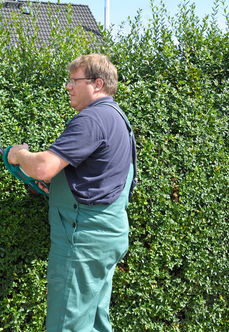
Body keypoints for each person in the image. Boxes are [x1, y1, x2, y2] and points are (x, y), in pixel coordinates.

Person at [7, 53, 137, 331]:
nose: (68, 86)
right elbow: (100, 178)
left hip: (83, 243)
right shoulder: (118, 119)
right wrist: (60, 187)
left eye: (74, 80)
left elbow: (43, 167)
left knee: (67, 324)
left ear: (97, 84)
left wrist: (18, 154)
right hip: (108, 239)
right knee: (96, 321)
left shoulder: (92, 119)